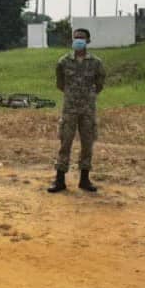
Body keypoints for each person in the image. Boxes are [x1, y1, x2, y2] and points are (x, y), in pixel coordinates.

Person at [48, 28, 107, 193]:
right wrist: (73, 96)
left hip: (88, 109)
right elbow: (60, 84)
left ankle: (84, 179)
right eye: (76, 38)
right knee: (65, 143)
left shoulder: (96, 63)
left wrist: (87, 96)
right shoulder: (63, 61)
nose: (78, 40)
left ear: (88, 41)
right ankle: (59, 180)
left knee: (87, 144)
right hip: (69, 109)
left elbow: (99, 84)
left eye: (82, 38)